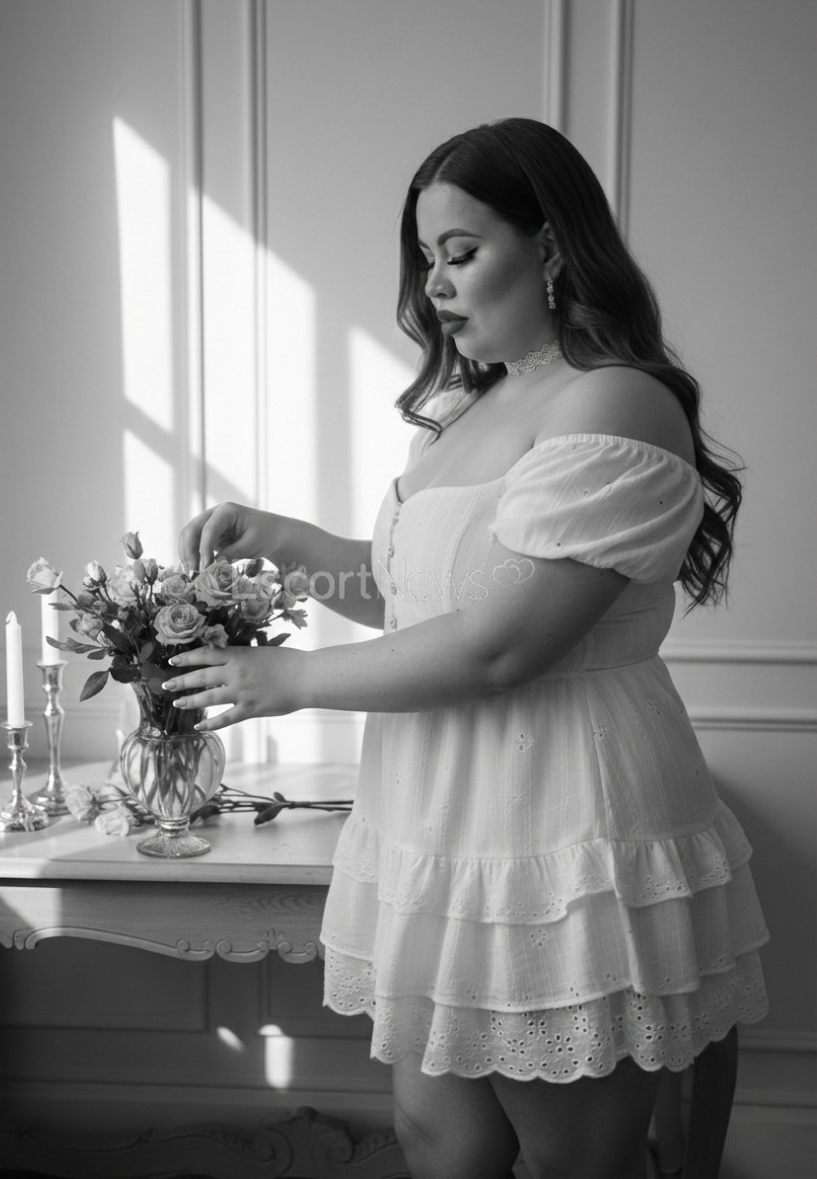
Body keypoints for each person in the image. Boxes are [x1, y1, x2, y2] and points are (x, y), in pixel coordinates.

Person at [167, 119, 769, 1179]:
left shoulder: (616, 401)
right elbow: (416, 600)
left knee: (570, 1159)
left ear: (551, 247)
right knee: (437, 1138)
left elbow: (503, 645)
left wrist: (291, 678)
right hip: (438, 814)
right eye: (425, 258)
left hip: (559, 812)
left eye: (461, 252)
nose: (434, 285)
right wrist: (287, 543)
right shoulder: (464, 406)